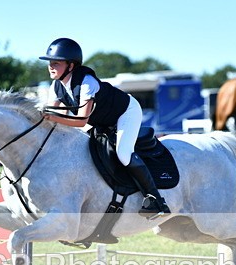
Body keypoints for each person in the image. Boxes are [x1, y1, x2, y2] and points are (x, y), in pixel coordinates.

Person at [39, 37, 169, 218]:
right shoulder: (56, 86)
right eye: (49, 63)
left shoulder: (86, 82)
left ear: (71, 65)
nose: (51, 66)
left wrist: (52, 117)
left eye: (56, 63)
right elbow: (56, 116)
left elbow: (81, 120)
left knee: (123, 154)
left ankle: (156, 199)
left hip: (126, 112)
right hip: (102, 121)